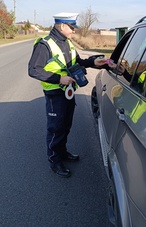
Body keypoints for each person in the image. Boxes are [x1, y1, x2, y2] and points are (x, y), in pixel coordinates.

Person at [28, 12, 107, 178]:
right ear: (62, 26)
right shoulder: (45, 45)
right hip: (55, 93)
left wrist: (94, 62)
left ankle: (62, 152)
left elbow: (77, 62)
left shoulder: (67, 42)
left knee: (65, 125)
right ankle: (54, 160)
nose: (73, 31)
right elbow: (34, 70)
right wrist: (59, 79)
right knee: (56, 128)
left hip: (69, 91)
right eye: (71, 27)